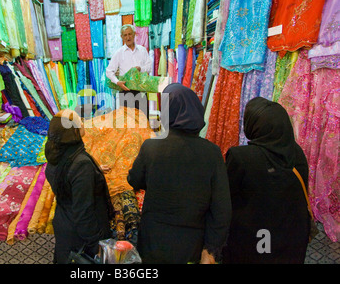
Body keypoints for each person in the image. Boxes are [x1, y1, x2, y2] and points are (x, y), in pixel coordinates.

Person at [127, 83, 232, 264]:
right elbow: (221, 207)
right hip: (192, 242)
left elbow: (133, 180)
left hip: (154, 240)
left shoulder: (151, 147)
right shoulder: (212, 152)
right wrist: (211, 248)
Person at [222, 97, 310, 264]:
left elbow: (226, 197)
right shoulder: (297, 153)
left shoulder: (242, 157)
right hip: (291, 238)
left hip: (252, 240)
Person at [44, 109, 114, 263]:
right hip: (81, 235)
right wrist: (97, 246)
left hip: (64, 225)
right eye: (79, 121)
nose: (83, 122)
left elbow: (67, 176)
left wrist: (93, 171)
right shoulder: (80, 165)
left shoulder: (55, 153)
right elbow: (84, 212)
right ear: (74, 130)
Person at [106, 24, 152, 117]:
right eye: (125, 35)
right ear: (121, 37)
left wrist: (140, 68)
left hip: (141, 90)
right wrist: (118, 82)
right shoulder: (119, 53)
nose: (128, 37)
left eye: (130, 34)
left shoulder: (142, 50)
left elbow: (149, 67)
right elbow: (109, 71)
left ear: (134, 34)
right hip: (126, 91)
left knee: (143, 120)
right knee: (128, 122)